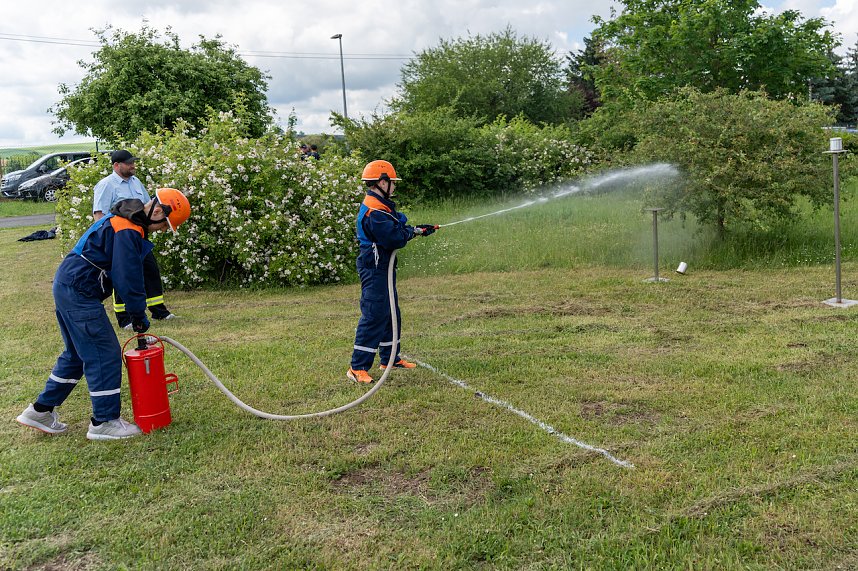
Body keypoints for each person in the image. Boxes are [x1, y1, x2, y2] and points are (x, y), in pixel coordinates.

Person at [16, 189, 191, 440]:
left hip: (68, 286)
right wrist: (137, 314)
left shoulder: (125, 220)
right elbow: (127, 276)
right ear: (157, 211)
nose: (163, 230)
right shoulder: (128, 229)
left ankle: (40, 411)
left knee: (77, 355)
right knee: (104, 353)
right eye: (165, 224)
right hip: (79, 291)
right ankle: (104, 421)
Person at [347, 160, 437, 384]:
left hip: (383, 266)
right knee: (374, 314)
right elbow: (394, 238)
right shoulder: (375, 211)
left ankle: (390, 359)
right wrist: (410, 233)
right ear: (382, 182)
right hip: (374, 267)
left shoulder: (382, 205)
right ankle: (357, 367)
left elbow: (396, 226)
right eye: (392, 182)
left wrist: (416, 230)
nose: (394, 186)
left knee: (390, 313)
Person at [93, 150, 177, 328]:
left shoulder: (135, 182)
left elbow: (148, 206)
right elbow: (99, 215)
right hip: (119, 238)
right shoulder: (106, 185)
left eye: (133, 162)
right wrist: (108, 242)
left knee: (150, 271)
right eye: (129, 163)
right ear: (117, 165)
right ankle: (125, 318)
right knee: (123, 274)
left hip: (138, 236)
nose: (133, 165)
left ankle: (159, 311)